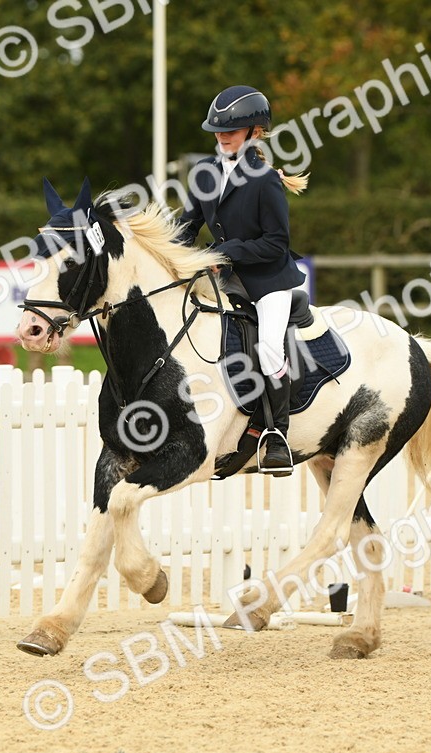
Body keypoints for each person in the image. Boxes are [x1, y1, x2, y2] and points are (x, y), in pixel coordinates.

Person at [174, 85, 308, 476]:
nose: (221, 136)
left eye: (230, 130)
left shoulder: (265, 180)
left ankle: (276, 434)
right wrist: (175, 259)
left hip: (268, 280)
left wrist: (227, 253)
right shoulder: (204, 174)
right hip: (227, 279)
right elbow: (186, 227)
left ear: (254, 132)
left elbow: (276, 243)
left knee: (268, 348)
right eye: (217, 130)